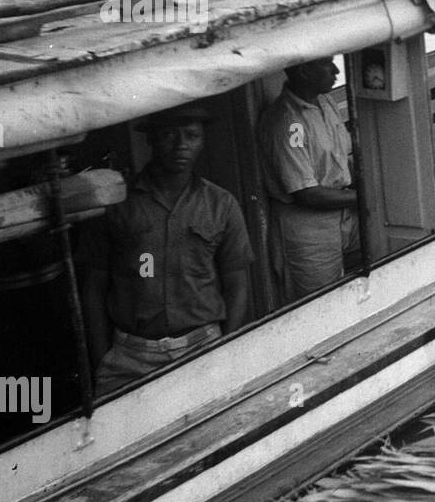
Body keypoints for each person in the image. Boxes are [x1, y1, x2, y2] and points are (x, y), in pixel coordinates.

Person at [80, 104, 253, 398]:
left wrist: (227, 346)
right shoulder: (116, 204)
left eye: (191, 135)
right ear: (151, 139)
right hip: (130, 357)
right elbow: (93, 286)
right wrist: (101, 358)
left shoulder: (221, 204)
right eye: (169, 135)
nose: (181, 145)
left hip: (203, 346)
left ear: (202, 140)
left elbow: (237, 280)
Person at [258, 57, 360, 301]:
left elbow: (341, 157)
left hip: (345, 215)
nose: (336, 70)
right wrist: (365, 196)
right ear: (304, 71)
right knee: (321, 303)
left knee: (360, 289)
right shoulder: (288, 122)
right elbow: (306, 194)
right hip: (310, 229)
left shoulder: (324, 101)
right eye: (327, 64)